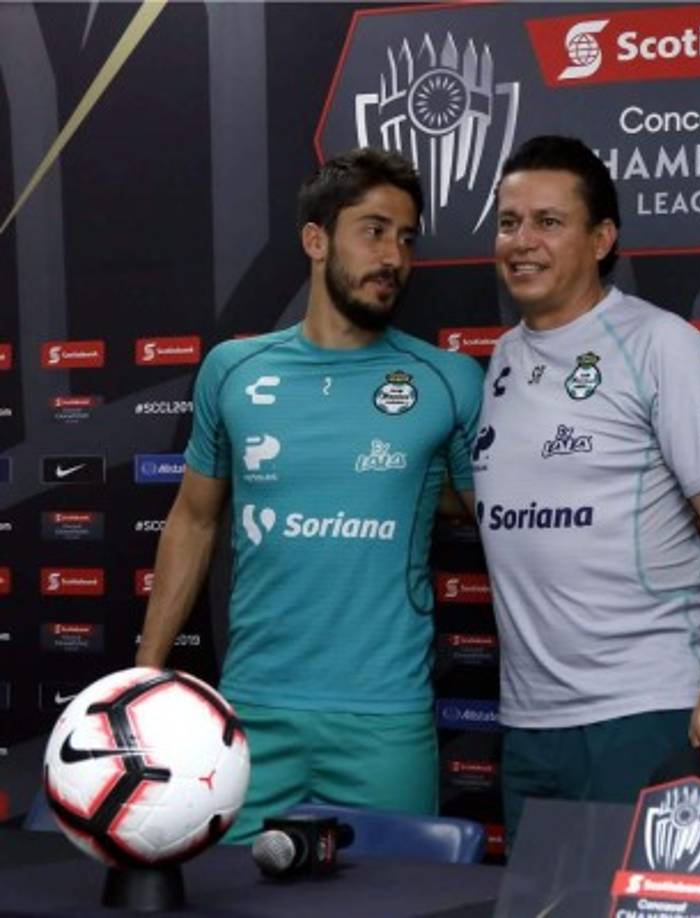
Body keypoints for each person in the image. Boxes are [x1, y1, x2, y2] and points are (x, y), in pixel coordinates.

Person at [136, 147, 483, 842]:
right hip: (252, 715)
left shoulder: (450, 379)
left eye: (406, 238)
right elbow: (194, 521)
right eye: (374, 230)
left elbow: (498, 519)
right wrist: (143, 676)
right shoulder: (234, 370)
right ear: (316, 240)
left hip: (386, 718)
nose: (393, 256)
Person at [473, 135, 700, 842]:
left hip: (644, 711)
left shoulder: (659, 343)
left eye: (548, 221)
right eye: (508, 222)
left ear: (601, 238)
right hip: (530, 723)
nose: (521, 241)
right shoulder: (503, 358)